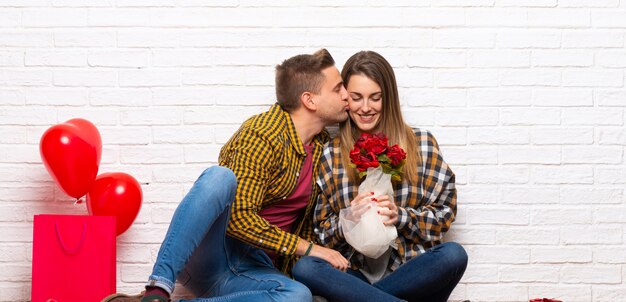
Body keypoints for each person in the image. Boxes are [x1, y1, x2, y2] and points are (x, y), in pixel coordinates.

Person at [103, 48, 350, 302]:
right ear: (310, 100)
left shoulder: (322, 146)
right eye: (338, 89)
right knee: (219, 178)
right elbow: (238, 219)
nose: (347, 95)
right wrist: (309, 249)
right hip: (216, 253)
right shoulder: (263, 133)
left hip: (254, 271)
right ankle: (157, 291)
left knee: (297, 295)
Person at [292, 51, 468, 302]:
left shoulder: (422, 145)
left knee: (453, 255)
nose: (365, 108)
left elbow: (444, 216)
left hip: (409, 271)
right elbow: (321, 232)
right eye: (356, 98)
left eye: (375, 98)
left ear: (389, 99)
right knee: (305, 268)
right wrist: (347, 220)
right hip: (353, 275)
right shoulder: (330, 153)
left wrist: (401, 216)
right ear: (345, 99)